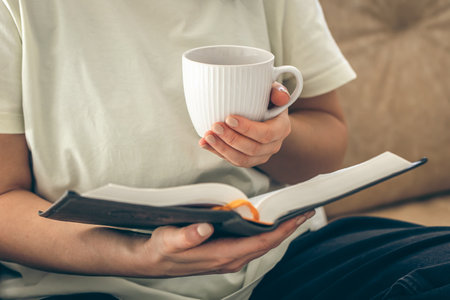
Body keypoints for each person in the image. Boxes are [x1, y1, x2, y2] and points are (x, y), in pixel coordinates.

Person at [0, 0, 449, 299]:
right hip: (86, 282)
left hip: (281, 257)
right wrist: (136, 256)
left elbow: (328, 145)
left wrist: (277, 138)